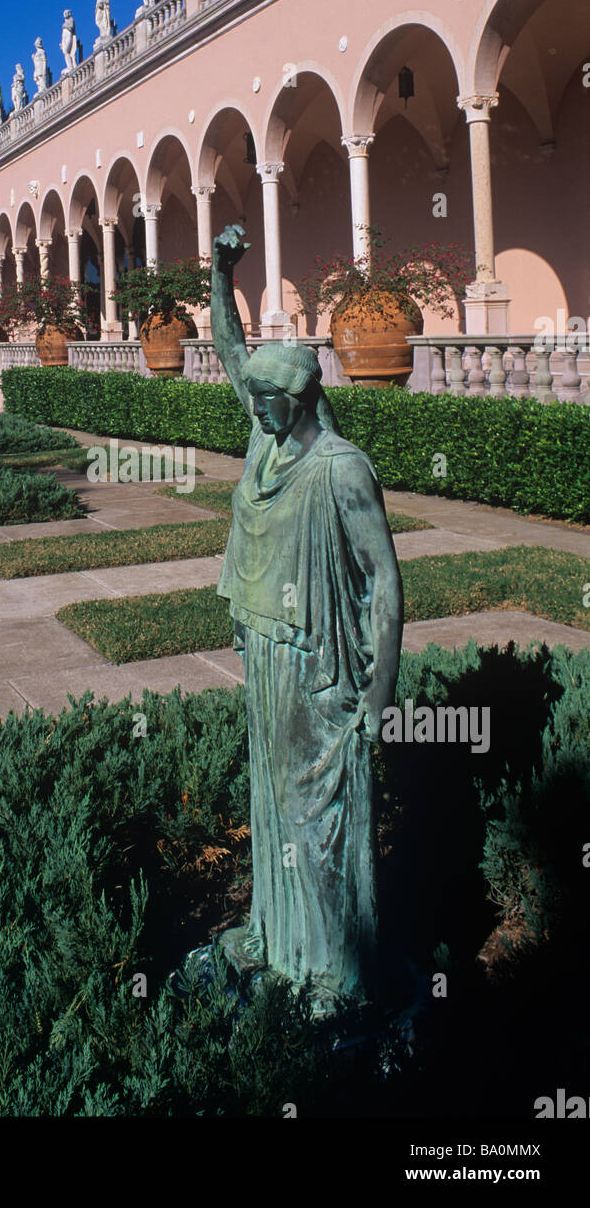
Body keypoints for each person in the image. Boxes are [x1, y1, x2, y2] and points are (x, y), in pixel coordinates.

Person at [210, 223, 403, 1009]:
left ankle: (334, 971)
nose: (252, 416)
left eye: (265, 406)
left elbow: (384, 583)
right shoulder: (267, 441)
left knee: (314, 815)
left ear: (296, 400)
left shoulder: (340, 468)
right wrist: (220, 276)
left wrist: (379, 696)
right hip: (263, 647)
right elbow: (227, 349)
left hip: (317, 663)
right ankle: (276, 938)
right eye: (252, 403)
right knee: (271, 797)